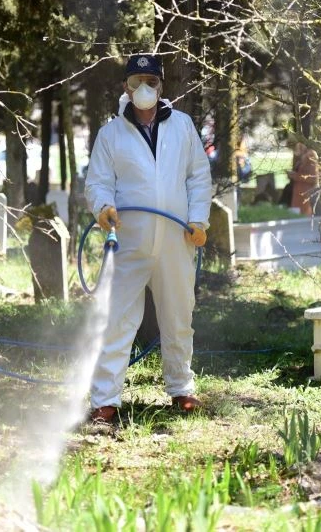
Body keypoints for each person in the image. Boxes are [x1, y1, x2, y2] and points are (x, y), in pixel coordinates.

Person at [84, 54, 212, 424]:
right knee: (117, 319)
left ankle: (181, 389)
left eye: (151, 81)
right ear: (125, 87)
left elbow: (198, 176)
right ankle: (105, 401)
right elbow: (98, 182)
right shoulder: (111, 134)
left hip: (176, 238)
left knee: (178, 315)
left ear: (161, 86)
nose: (144, 89)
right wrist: (103, 207)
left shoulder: (182, 126)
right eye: (136, 81)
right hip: (129, 239)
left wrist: (198, 219)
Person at [287, 142, 319, 215]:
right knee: (296, 215)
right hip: (298, 193)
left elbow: (313, 178)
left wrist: (295, 176)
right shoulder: (300, 156)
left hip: (305, 193)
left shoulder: (310, 155)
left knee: (304, 215)